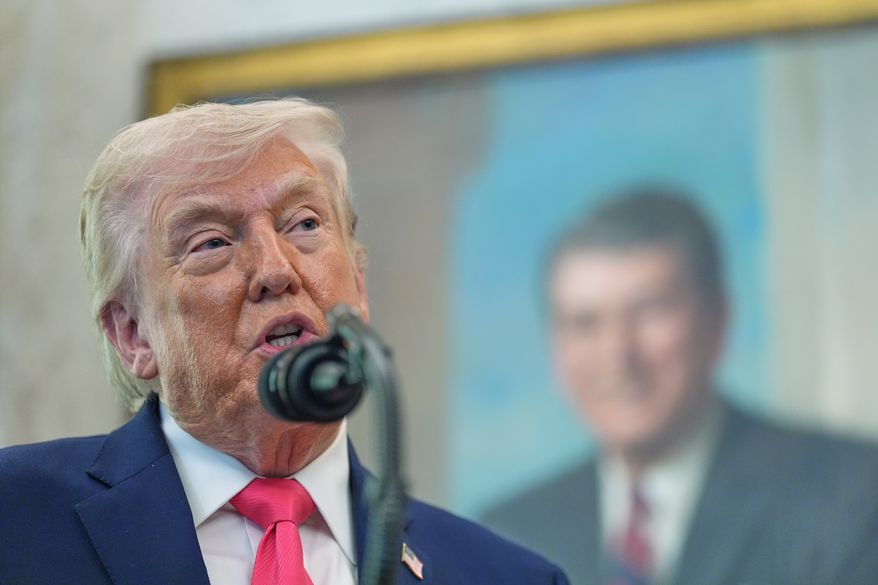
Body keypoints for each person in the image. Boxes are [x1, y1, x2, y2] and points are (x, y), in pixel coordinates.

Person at [0, 98, 570, 585]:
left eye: (304, 224)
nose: (277, 270)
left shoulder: (506, 577)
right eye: (212, 242)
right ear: (132, 334)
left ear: (359, 285)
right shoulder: (15, 517)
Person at [482, 191, 878, 585]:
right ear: (554, 348)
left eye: (650, 310)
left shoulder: (851, 498)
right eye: (584, 323)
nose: (618, 354)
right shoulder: (510, 534)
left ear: (718, 320)